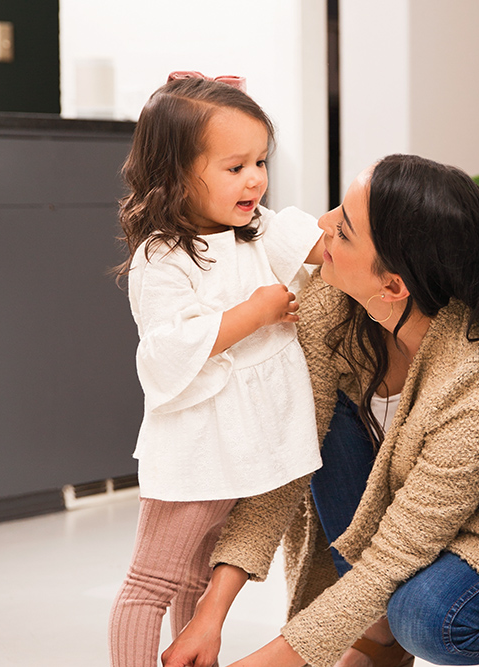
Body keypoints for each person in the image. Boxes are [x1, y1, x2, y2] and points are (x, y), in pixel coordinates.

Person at [163, 154, 479, 667]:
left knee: (428, 614)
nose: (320, 227)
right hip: (470, 490)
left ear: (392, 286)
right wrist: (210, 614)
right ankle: (375, 630)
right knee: (312, 420)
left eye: (342, 230)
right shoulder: (332, 303)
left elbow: (395, 554)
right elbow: (288, 462)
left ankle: (394, 626)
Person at [108, 73, 325, 667]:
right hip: (196, 452)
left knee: (196, 584)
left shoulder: (257, 229)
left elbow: (324, 240)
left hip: (241, 449)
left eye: (261, 161)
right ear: (178, 176)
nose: (255, 178)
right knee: (153, 581)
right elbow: (169, 348)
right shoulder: (163, 256)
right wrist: (253, 313)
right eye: (235, 167)